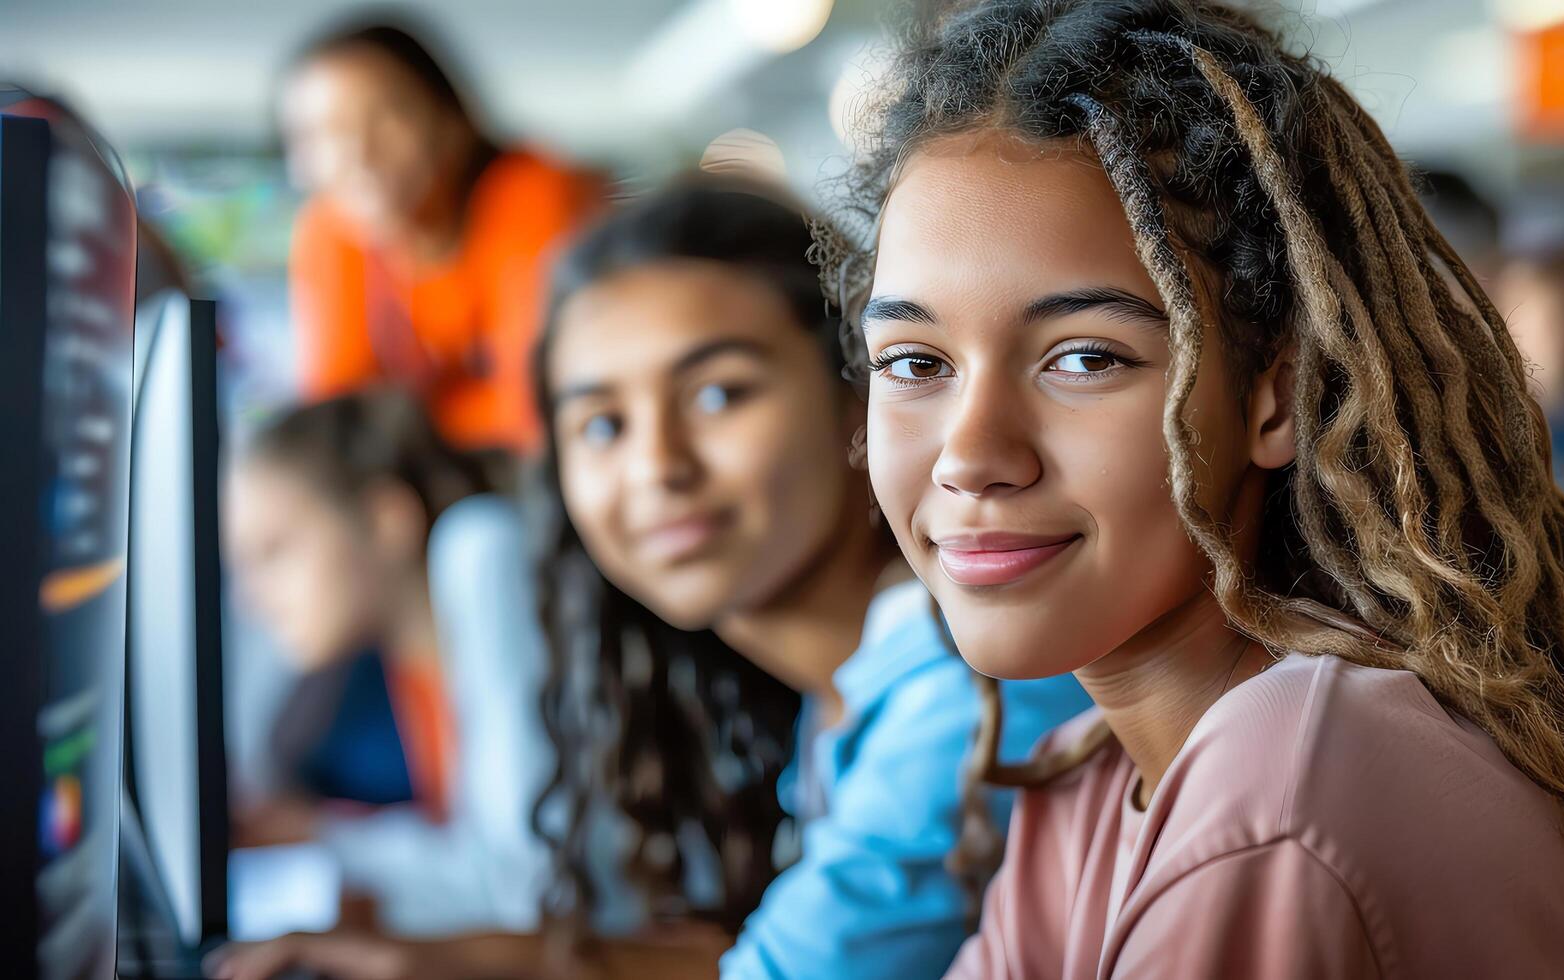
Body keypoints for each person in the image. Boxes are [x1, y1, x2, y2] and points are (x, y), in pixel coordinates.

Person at [815, 0, 1564, 975]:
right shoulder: (1097, 785)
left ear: (1274, 394)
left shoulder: (1283, 801)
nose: (970, 455)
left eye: (1085, 358)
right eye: (914, 362)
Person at [209, 179, 1091, 980]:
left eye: (718, 395)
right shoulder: (837, 701)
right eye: (602, 426)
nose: (655, 468)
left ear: (856, 397)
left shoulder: (967, 693)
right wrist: (431, 962)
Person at [224, 389, 552, 935]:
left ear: (386, 521)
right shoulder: (415, 662)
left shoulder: (478, 548)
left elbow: (524, 885)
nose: (248, 600)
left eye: (275, 551)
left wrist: (321, 838)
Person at [280, 18, 608, 453]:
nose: (356, 155)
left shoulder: (533, 193)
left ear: (453, 121)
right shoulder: (330, 228)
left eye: (384, 118)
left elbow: (536, 406)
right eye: (321, 135)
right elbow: (336, 422)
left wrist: (403, 429)